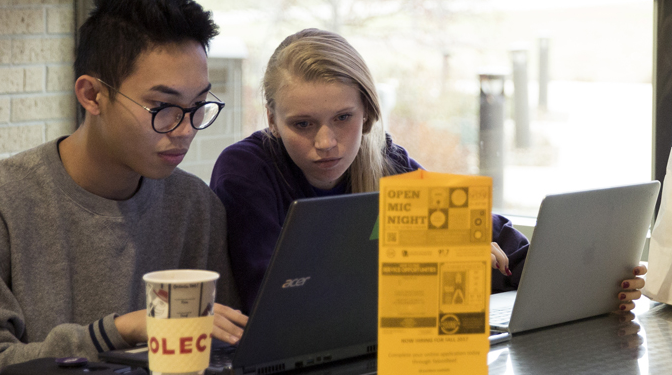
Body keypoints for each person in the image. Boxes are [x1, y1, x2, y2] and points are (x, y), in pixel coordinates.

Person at [0, 0, 248, 375]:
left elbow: (222, 350)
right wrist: (115, 333)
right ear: (92, 95)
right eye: (164, 107)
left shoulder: (195, 205)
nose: (185, 129)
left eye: (198, 105)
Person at [210, 28, 646, 313]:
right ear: (271, 118)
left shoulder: (386, 163)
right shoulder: (245, 172)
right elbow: (279, 305)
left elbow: (508, 249)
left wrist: (601, 284)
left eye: (344, 118)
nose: (326, 142)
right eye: (302, 124)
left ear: (368, 112)